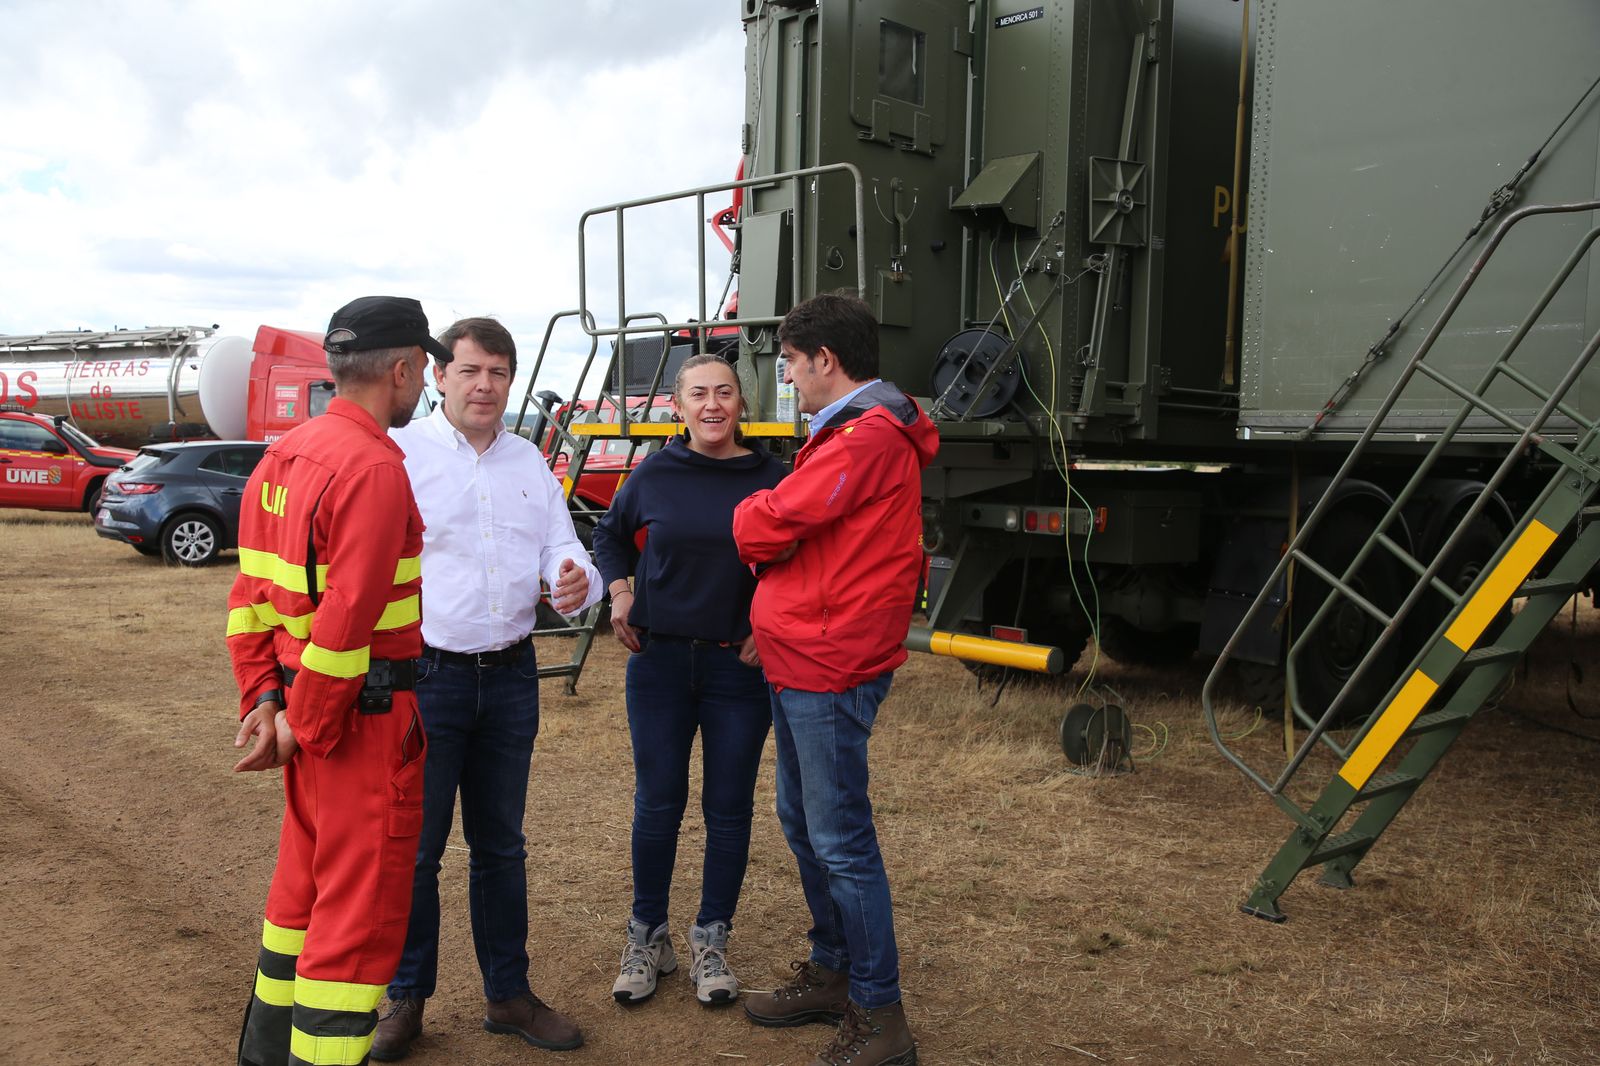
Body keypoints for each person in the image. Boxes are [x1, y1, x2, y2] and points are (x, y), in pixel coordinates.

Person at [372, 316, 602, 1060]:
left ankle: (508, 994)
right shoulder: (400, 455)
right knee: (417, 850)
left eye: (498, 373)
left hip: (509, 677)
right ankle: (405, 1000)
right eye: (470, 370)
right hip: (427, 677)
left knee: (501, 847)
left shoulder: (529, 462)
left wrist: (577, 582)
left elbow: (566, 548)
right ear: (438, 376)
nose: (485, 385)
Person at [229, 295, 439, 1066]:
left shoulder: (281, 457)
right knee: (352, 933)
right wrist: (303, 726)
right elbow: (346, 630)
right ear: (403, 368)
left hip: (307, 714)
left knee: (298, 903)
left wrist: (264, 702)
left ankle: (264, 1055)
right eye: (426, 368)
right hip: (359, 724)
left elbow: (250, 601)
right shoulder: (375, 468)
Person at [732, 292, 937, 1066]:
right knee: (805, 821)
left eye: (788, 361)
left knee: (840, 839)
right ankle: (835, 969)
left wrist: (754, 515)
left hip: (829, 661)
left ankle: (880, 1016)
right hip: (807, 656)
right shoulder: (855, 431)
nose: (785, 375)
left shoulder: (865, 437)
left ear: (824, 360)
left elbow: (767, 523)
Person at [591, 354, 785, 1008]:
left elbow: (799, 563)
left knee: (728, 808)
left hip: (740, 669)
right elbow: (609, 537)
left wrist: (771, 624)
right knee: (659, 801)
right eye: (698, 393)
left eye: (724, 393)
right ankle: (648, 937)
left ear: (740, 403)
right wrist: (619, 591)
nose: (712, 404)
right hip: (661, 664)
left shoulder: (773, 480)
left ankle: (711, 941)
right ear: (678, 406)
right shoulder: (654, 474)